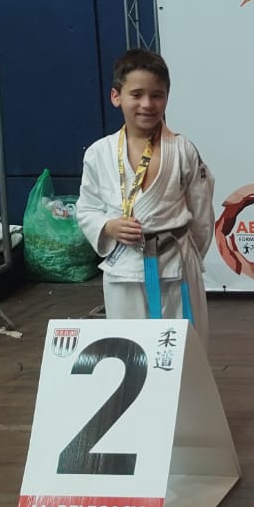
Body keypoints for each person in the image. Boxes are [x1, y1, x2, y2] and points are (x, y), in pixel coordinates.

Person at [76, 48, 215, 342]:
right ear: (116, 96)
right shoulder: (99, 153)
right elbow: (86, 208)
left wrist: (187, 254)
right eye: (136, 94)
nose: (147, 104)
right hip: (124, 266)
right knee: (130, 347)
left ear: (167, 98)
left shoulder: (183, 150)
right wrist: (108, 226)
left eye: (157, 95)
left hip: (176, 263)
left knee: (184, 347)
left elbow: (202, 215)